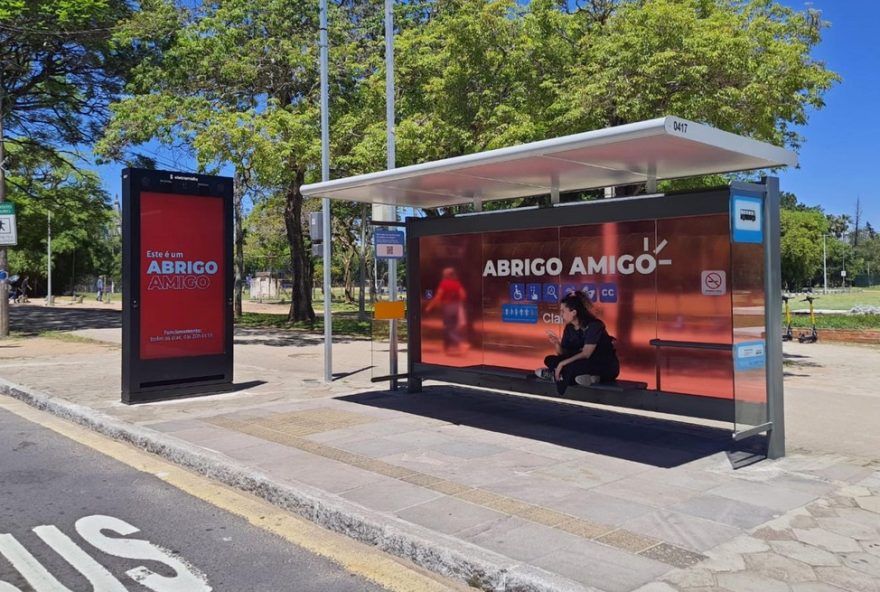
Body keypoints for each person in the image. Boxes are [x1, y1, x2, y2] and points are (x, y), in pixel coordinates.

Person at [536, 290, 620, 395]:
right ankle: (574, 376)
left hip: (602, 365)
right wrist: (557, 344)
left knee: (575, 365)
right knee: (549, 359)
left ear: (574, 312)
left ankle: (559, 375)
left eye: (563, 311)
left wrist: (562, 364)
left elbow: (586, 354)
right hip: (578, 363)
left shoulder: (594, 326)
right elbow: (564, 354)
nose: (561, 314)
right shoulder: (569, 328)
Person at [425, 267, 467, 353]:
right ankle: (446, 347)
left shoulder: (444, 283)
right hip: (457, 306)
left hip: (448, 307)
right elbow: (463, 295)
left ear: (446, 275)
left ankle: (460, 343)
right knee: (450, 327)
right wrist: (457, 301)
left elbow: (438, 296)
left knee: (448, 328)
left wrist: (430, 306)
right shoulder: (457, 283)